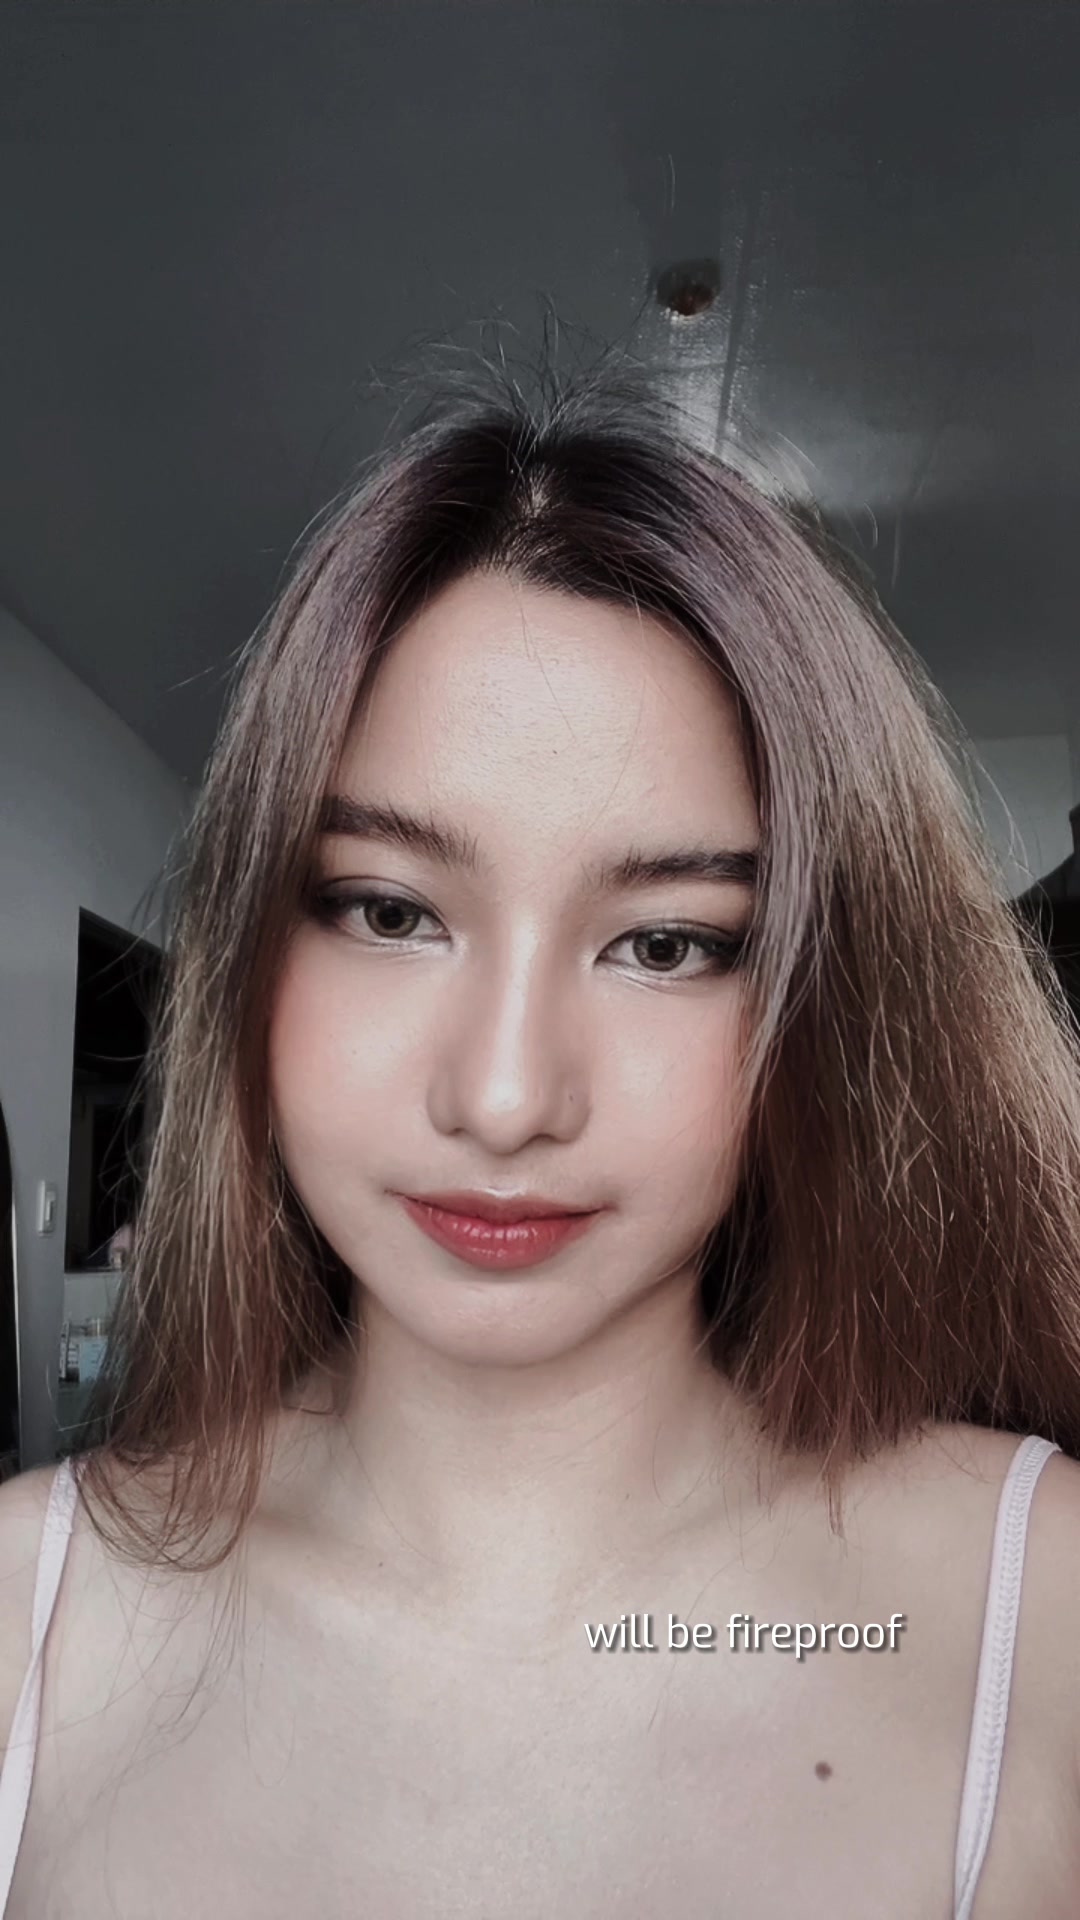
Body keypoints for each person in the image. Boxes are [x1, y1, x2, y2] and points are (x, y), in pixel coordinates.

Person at [3, 356, 1080, 1918]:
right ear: (251, 946)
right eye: (389, 912)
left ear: (819, 1005)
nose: (506, 1100)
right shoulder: (28, 1619)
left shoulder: (1041, 1614)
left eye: (668, 943)